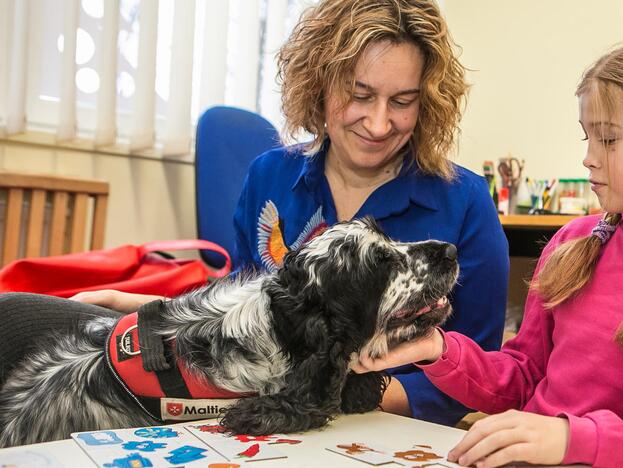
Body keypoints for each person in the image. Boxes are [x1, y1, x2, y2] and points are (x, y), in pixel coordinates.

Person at [70, 0, 508, 427]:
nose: (378, 123)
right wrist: (145, 307)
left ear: (427, 100)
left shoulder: (464, 200)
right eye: (359, 95)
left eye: (402, 101)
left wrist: (329, 392)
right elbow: (248, 320)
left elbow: (481, 374)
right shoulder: (269, 175)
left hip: (376, 428)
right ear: (319, 84)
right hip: (265, 417)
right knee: (26, 318)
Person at [353, 35, 623, 467]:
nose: (590, 159)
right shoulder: (573, 242)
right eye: (587, 139)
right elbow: (521, 378)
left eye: (609, 140)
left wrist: (577, 439)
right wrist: (437, 348)